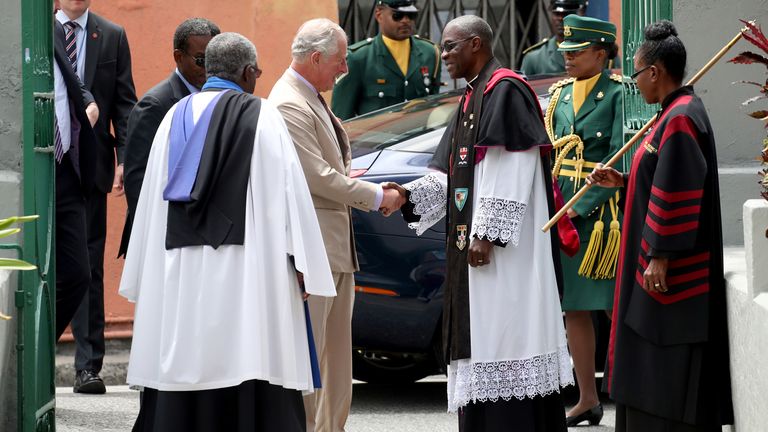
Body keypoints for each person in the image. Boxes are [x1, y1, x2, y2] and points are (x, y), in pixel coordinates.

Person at [119, 32, 336, 432]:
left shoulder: (173, 117)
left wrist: (143, 270)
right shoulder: (263, 115)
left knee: (187, 353)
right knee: (249, 349)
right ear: (249, 72)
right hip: (247, 268)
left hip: (181, 268)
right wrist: (303, 261)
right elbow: (290, 195)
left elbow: (149, 202)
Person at [391, 15, 573, 431]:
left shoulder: (505, 89)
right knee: (486, 340)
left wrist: (488, 234)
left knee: (507, 335)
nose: (444, 55)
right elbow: (448, 172)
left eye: (451, 46)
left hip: (506, 254)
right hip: (474, 253)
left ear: (476, 44)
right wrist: (406, 196)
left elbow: (514, 162)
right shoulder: (472, 96)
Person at [587, 20, 734, 432]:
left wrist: (661, 257)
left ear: (654, 72)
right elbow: (661, 179)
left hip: (668, 276)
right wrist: (626, 181)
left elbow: (680, 190)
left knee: (664, 377)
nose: (634, 83)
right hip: (658, 265)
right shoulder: (671, 114)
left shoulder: (682, 118)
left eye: (635, 73)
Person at [268, 18, 405, 432]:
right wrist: (378, 197)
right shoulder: (290, 102)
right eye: (340, 61)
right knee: (313, 356)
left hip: (332, 247)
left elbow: (331, 167)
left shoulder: (309, 94)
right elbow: (318, 178)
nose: (345, 69)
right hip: (314, 249)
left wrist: (360, 181)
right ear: (315, 58)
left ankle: (331, 428)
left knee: (336, 357)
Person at [544, 14, 623, 427]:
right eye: (566, 52)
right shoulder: (558, 94)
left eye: (576, 52)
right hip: (563, 210)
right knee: (573, 308)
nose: (568, 59)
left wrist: (581, 205)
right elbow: (552, 153)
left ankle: (631, 392)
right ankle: (587, 398)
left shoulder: (619, 94)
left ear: (600, 53)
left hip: (601, 218)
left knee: (613, 307)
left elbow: (620, 156)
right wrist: (556, 204)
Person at [56, 0, 137, 394]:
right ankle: (35, 355)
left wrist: (124, 158)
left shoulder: (112, 35)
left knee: (88, 265)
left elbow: (124, 104)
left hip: (90, 167)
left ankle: (88, 367)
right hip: (46, 165)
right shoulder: (39, 33)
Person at [119, 18, 221, 256]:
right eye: (201, 60)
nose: (209, 68)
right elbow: (137, 180)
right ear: (178, 57)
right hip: (163, 237)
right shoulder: (155, 104)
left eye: (214, 60)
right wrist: (155, 236)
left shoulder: (220, 98)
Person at [53, 19, 99, 342]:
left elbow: (70, 79)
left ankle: (33, 354)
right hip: (36, 167)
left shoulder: (51, 31)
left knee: (77, 274)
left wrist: (87, 101)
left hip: (67, 169)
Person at [331, 0, 441, 120]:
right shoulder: (358, 58)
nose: (405, 20)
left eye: (411, 15)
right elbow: (342, 116)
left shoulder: (430, 53)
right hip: (376, 137)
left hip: (423, 137)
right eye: (397, 16)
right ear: (379, 15)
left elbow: (433, 105)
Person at [520, 0, 586, 76]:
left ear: (581, 14)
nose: (560, 18)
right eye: (557, 14)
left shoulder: (592, 54)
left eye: (566, 14)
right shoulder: (535, 58)